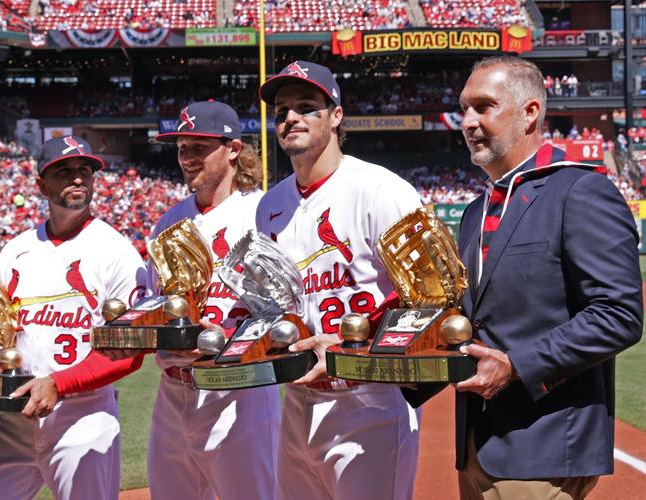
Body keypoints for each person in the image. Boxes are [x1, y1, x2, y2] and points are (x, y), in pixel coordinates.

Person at [455, 56, 642, 499]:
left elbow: (618, 315)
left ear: (530, 112)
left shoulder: (580, 190)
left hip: (544, 449)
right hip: (477, 446)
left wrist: (518, 365)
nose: (467, 121)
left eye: (484, 107)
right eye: (464, 108)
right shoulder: (474, 212)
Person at [256, 60, 422, 500]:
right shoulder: (270, 206)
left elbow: (428, 303)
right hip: (297, 403)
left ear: (336, 115)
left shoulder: (381, 190)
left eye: (306, 106)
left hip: (369, 398)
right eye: (281, 111)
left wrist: (354, 349)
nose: (290, 117)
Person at [121, 100, 280, 500]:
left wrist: (231, 333)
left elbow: (282, 309)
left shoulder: (262, 212)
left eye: (198, 147)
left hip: (239, 391)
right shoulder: (168, 222)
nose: (187, 158)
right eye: (181, 148)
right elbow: (159, 304)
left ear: (232, 149)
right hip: (173, 391)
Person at [0, 135, 148, 499]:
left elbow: (132, 350)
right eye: (64, 171)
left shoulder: (116, 252)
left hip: (83, 416)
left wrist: (60, 383)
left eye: (84, 170)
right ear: (41, 184)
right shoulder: (16, 250)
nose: (77, 178)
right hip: (15, 415)